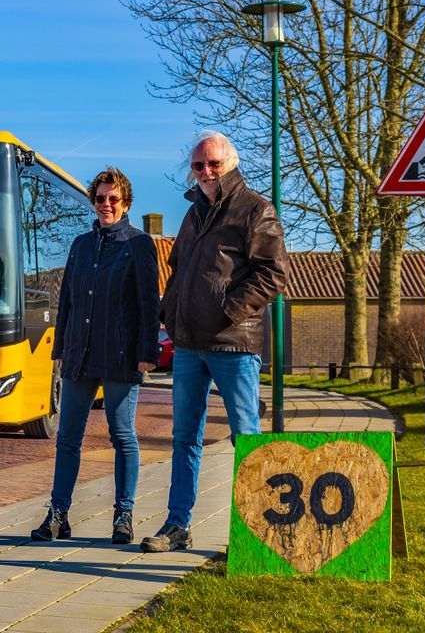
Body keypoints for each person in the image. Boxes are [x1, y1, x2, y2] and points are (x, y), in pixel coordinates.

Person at [140, 131, 289, 553]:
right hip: (188, 346)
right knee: (185, 436)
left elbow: (274, 273)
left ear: (230, 164)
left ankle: (257, 532)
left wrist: (225, 311)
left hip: (234, 345)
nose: (205, 172)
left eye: (213, 164)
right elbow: (179, 271)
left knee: (246, 435)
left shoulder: (255, 210)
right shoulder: (192, 215)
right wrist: (169, 314)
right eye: (198, 165)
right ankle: (177, 526)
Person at [31, 167, 160, 546]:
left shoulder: (139, 245)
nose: (106, 204)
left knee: (123, 435)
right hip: (79, 354)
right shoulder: (81, 246)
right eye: (101, 198)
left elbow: (149, 304)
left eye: (113, 199)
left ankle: (124, 515)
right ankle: (58, 514)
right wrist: (60, 350)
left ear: (126, 204)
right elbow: (67, 301)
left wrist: (146, 353)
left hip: (120, 355)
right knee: (67, 438)